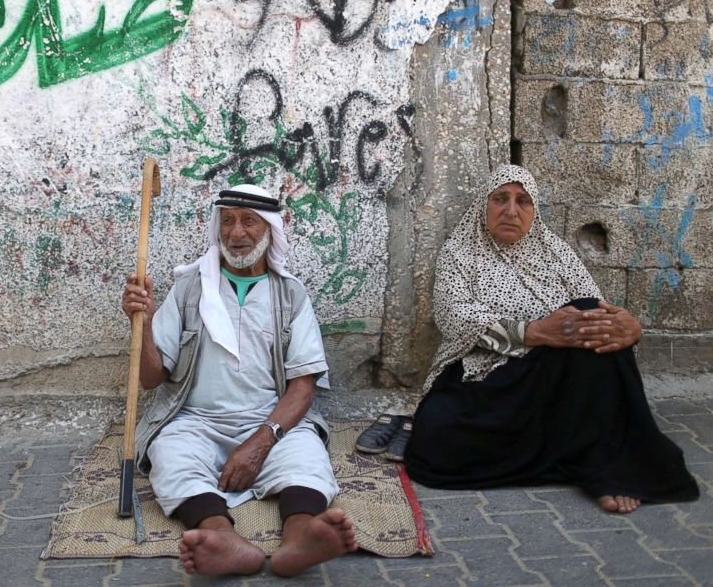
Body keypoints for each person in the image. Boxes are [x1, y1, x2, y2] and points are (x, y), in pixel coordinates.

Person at [403, 164, 700, 513]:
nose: (511, 210)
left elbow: (597, 311)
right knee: (435, 440)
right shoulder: (460, 253)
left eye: (523, 201)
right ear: (484, 206)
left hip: (551, 382)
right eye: (500, 199)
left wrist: (631, 330)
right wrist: (535, 331)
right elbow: (453, 317)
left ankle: (607, 469)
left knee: (592, 314)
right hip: (485, 378)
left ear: (534, 211)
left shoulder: (555, 252)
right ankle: (576, 454)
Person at [121, 184, 357, 577]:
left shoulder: (291, 295)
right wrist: (141, 324)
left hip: (269, 421)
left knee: (307, 457)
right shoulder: (188, 289)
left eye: (249, 221)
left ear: (271, 229)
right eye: (228, 220)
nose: (236, 232)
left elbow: (302, 388)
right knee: (171, 458)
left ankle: (300, 538)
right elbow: (150, 379)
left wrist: (260, 443)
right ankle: (222, 537)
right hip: (193, 420)